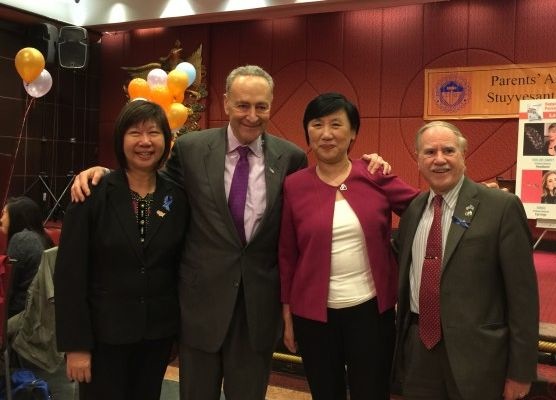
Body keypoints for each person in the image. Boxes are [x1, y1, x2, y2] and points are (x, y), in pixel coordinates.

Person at [69, 66, 390, 400]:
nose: (251, 115)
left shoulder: (290, 157)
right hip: (200, 307)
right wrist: (105, 173)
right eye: (242, 105)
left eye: (261, 106)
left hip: (258, 312)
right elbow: (148, 179)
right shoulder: (191, 149)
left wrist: (370, 165)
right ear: (225, 103)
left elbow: (322, 189)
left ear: (270, 105)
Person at [278, 93, 419, 399]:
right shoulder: (294, 185)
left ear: (353, 132)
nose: (326, 134)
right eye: (317, 125)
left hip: (371, 312)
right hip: (313, 317)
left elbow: (421, 206)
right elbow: (287, 254)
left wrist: (477, 197)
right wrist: (287, 314)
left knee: (372, 391)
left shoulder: (372, 174)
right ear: (308, 133)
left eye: (336, 124)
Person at [392, 121, 539, 400]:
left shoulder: (501, 207)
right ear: (418, 160)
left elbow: (523, 297)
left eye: (448, 150)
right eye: (429, 152)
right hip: (420, 350)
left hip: (479, 357)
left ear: (463, 155)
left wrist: (521, 370)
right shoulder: (413, 211)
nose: (439, 159)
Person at [54, 100, 189, 400]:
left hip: (156, 335)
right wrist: (76, 345)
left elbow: (178, 266)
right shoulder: (91, 192)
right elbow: (69, 275)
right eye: (134, 133)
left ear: (166, 141)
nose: (145, 142)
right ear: (120, 138)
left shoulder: (177, 197)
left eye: (153, 133)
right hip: (103, 338)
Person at [0, 196, 54, 318]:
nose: (1, 219)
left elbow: (8, 289)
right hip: (41, 314)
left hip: (23, 318)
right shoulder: (42, 238)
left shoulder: (21, 240)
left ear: (16, 217)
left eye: (4, 214)